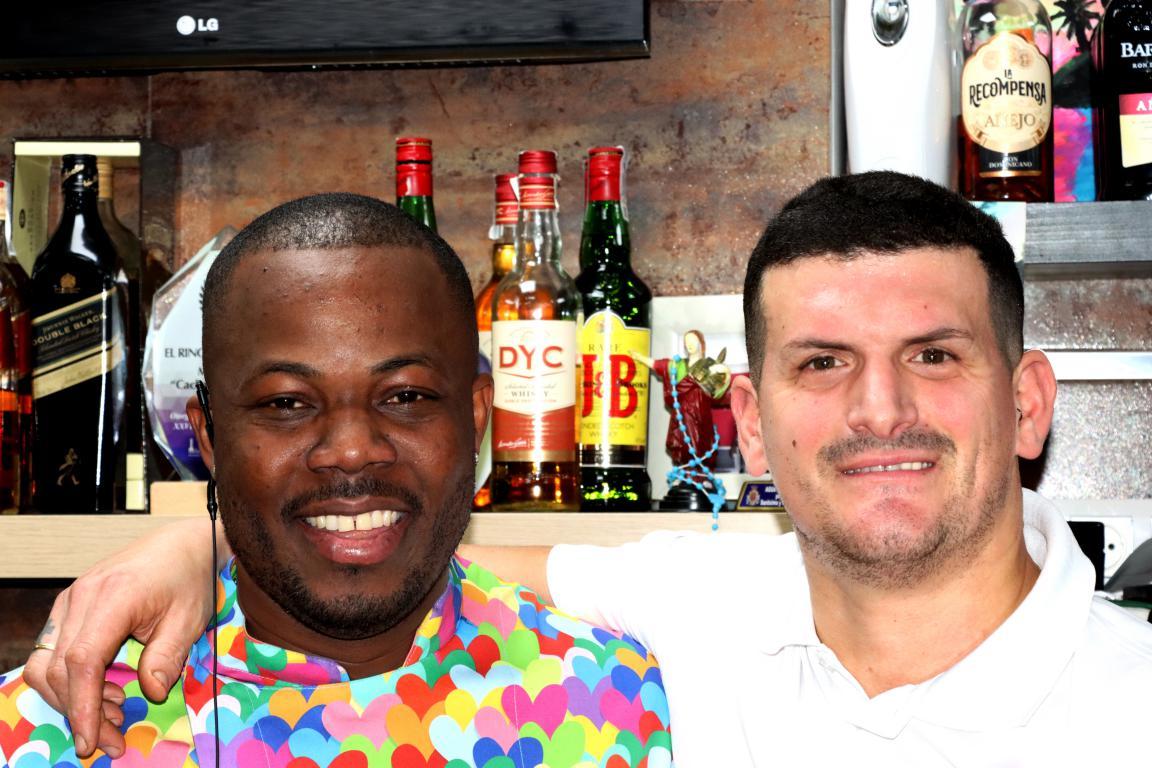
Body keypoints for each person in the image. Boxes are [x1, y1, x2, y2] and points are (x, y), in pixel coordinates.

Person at [23, 172, 1152, 765]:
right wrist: (202, 539)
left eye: (934, 355)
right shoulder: (693, 617)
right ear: (752, 426)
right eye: (822, 363)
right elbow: (409, 553)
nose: (879, 411)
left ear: (1027, 403)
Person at [0, 193, 672, 767]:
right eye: (286, 403)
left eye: (405, 396)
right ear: (209, 436)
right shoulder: (41, 732)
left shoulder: (625, 708)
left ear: (476, 419)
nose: (351, 452)